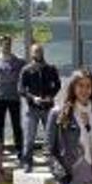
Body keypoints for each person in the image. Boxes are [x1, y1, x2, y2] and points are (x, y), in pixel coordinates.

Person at [19, 44, 61, 173]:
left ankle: (54, 164)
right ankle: (27, 163)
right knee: (29, 138)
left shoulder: (50, 69)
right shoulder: (26, 70)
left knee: (51, 138)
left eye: (40, 51)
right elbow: (21, 89)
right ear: (31, 53)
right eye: (35, 51)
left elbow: (58, 85)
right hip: (32, 109)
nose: (38, 53)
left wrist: (51, 96)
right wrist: (32, 98)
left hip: (48, 109)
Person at [0, 34, 26, 159]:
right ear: (0, 45)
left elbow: (23, 77)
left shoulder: (19, 61)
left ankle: (20, 150)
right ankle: (0, 149)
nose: (6, 46)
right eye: (4, 44)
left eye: (8, 43)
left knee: (16, 124)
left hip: (14, 96)